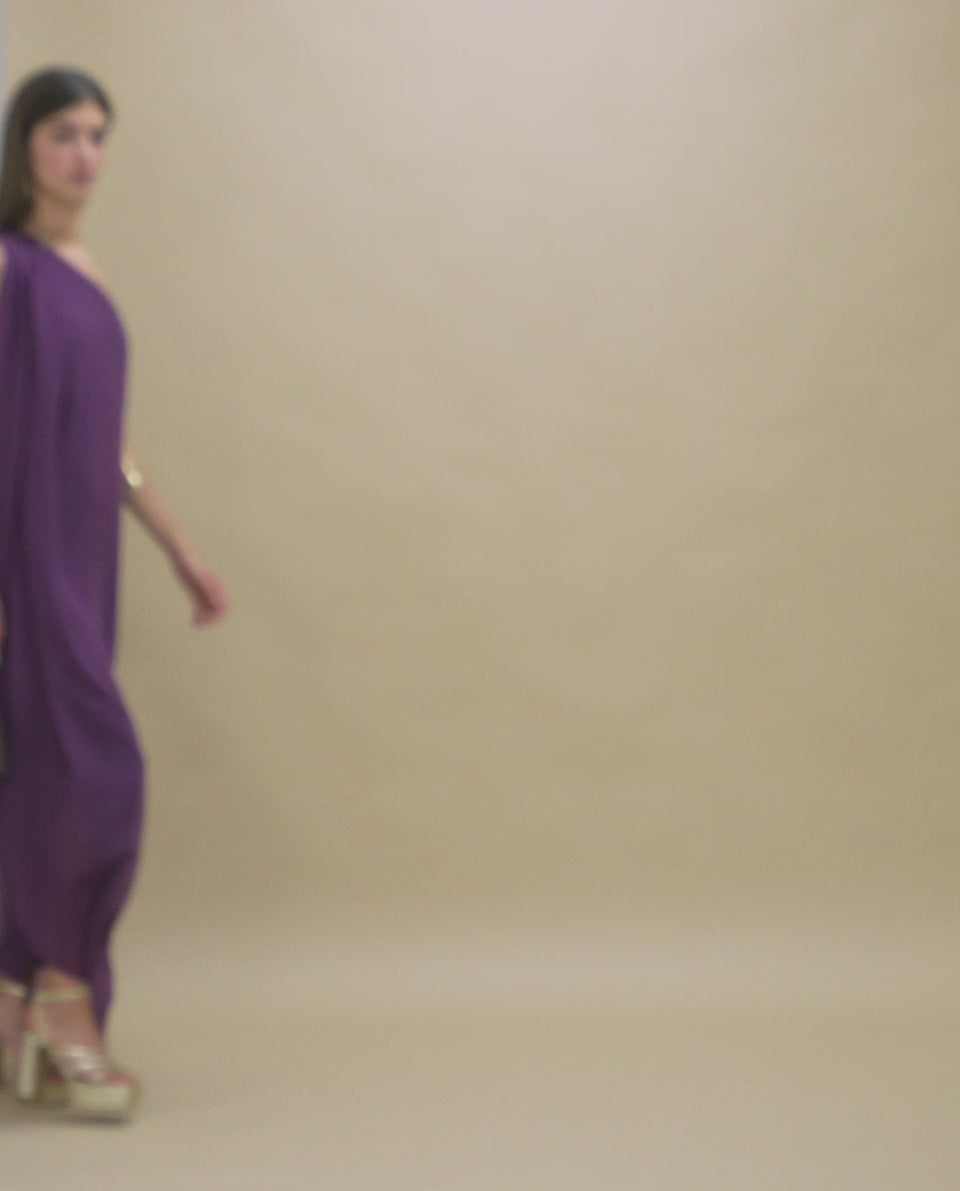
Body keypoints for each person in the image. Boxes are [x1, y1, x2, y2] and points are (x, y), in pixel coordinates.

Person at [0, 66, 228, 1121]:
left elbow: (109, 446)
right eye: (63, 133)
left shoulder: (84, 266)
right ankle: (65, 998)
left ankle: (16, 1002)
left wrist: (180, 548)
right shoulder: (9, 268)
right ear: (23, 146)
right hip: (25, 563)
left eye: (98, 135)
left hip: (85, 564)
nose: (84, 154)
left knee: (47, 773)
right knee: (96, 770)